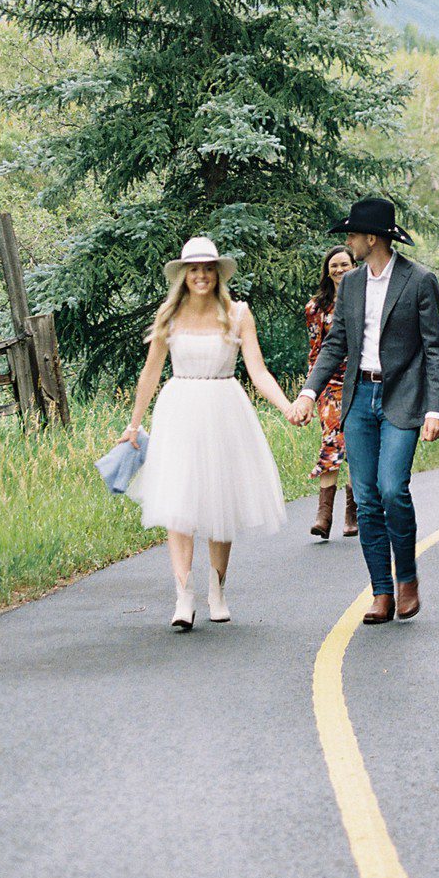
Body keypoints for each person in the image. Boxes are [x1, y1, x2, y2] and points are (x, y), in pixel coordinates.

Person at [121, 236, 297, 629]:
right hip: (179, 408)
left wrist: (286, 406)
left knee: (220, 501)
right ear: (183, 276)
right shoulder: (169, 316)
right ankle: (183, 596)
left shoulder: (237, 314)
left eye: (207, 269)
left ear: (217, 274)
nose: (201, 275)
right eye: (194, 269)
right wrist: (134, 424)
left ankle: (217, 589)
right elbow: (150, 373)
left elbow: (258, 369)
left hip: (223, 406)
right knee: (178, 501)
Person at [295, 197, 439, 625]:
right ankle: (381, 591)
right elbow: (336, 343)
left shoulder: (419, 281)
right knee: (364, 499)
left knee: (391, 489)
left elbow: (435, 350)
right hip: (359, 399)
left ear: (371, 238)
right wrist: (309, 392)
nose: (347, 243)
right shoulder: (353, 283)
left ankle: (408, 579)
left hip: (402, 398)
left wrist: (437, 409)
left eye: (351, 235)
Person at [304, 245, 358, 540]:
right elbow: (315, 352)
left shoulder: (363, 299)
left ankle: (353, 511)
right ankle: (324, 515)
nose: (339, 270)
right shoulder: (315, 307)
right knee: (332, 439)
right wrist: (309, 392)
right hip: (330, 383)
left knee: (354, 444)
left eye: (344, 265)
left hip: (360, 380)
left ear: (354, 267)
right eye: (334, 265)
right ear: (327, 270)